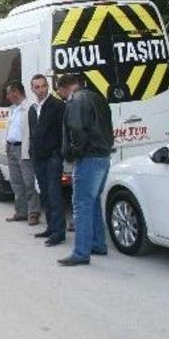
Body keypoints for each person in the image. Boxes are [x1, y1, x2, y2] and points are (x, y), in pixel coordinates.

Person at [58, 74, 114, 266]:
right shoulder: (98, 98)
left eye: (61, 94)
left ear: (65, 88)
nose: (63, 97)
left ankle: (81, 252)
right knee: (94, 201)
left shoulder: (75, 100)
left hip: (88, 158)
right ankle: (98, 243)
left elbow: (77, 131)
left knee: (81, 204)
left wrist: (74, 154)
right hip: (103, 156)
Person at [28, 74, 67, 247]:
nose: (40, 89)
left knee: (54, 194)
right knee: (44, 194)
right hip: (38, 158)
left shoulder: (58, 106)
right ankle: (51, 228)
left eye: (43, 86)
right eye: (37, 87)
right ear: (32, 89)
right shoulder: (32, 109)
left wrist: (58, 153)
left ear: (48, 86)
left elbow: (63, 132)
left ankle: (59, 232)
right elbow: (32, 134)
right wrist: (32, 153)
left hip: (52, 157)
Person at [4, 81, 40, 226]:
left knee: (29, 182)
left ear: (16, 92)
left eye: (8, 93)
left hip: (23, 149)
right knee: (16, 182)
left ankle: (34, 213)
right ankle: (21, 212)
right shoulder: (13, 109)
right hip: (11, 147)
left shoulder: (29, 107)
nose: (7, 96)